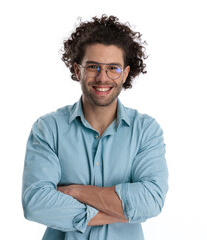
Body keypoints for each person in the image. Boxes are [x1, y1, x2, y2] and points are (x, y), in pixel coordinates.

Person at [22, 15, 168, 240]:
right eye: (93, 67)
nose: (103, 77)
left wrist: (75, 191)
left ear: (126, 73)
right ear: (77, 70)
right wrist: (123, 212)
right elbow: (36, 204)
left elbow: (151, 201)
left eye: (113, 68)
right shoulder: (48, 129)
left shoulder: (145, 131)